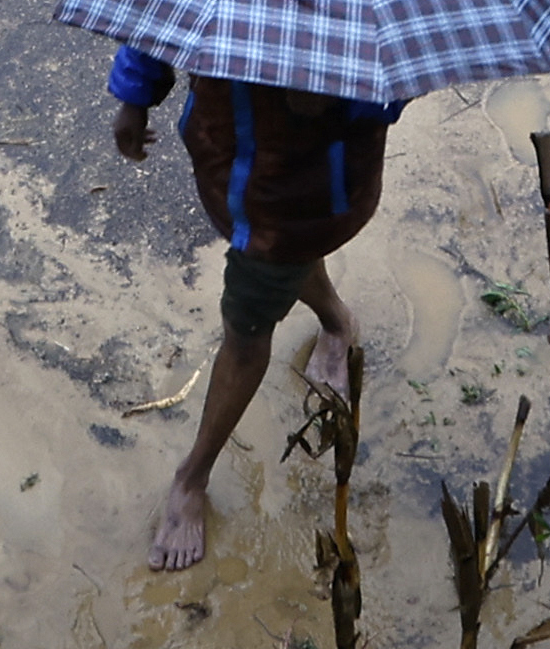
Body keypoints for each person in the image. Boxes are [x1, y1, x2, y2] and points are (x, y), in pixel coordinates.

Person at [107, 41, 396, 571]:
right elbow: (164, 8)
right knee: (277, 260)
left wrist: (331, 93)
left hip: (307, 189)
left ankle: (191, 477)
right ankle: (336, 320)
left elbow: (394, 82)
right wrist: (135, 94)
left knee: (246, 330)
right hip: (228, 161)